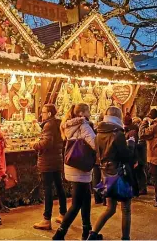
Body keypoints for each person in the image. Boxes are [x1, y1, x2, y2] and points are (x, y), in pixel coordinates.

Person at [89, 107, 135, 240]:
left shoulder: (98, 133)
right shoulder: (118, 134)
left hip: (106, 174)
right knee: (125, 208)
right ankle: (125, 238)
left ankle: (93, 234)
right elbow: (126, 156)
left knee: (110, 208)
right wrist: (131, 143)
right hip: (120, 174)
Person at [53, 103, 96, 240]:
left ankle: (87, 229)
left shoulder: (68, 126)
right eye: (88, 111)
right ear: (82, 113)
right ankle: (60, 233)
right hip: (81, 166)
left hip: (72, 164)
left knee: (86, 197)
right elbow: (94, 143)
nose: (90, 114)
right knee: (77, 202)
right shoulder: (83, 125)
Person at [33, 104, 67, 230]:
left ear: (50, 113)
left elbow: (46, 142)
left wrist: (35, 144)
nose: (42, 114)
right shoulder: (58, 123)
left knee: (47, 189)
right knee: (59, 186)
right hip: (57, 159)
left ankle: (46, 219)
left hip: (48, 161)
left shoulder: (49, 125)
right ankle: (63, 214)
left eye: (43, 112)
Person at [123, 113, 140, 197]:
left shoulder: (132, 131)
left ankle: (135, 192)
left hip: (131, 156)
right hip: (131, 155)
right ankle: (134, 191)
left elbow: (133, 145)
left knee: (132, 174)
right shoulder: (130, 130)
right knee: (131, 174)